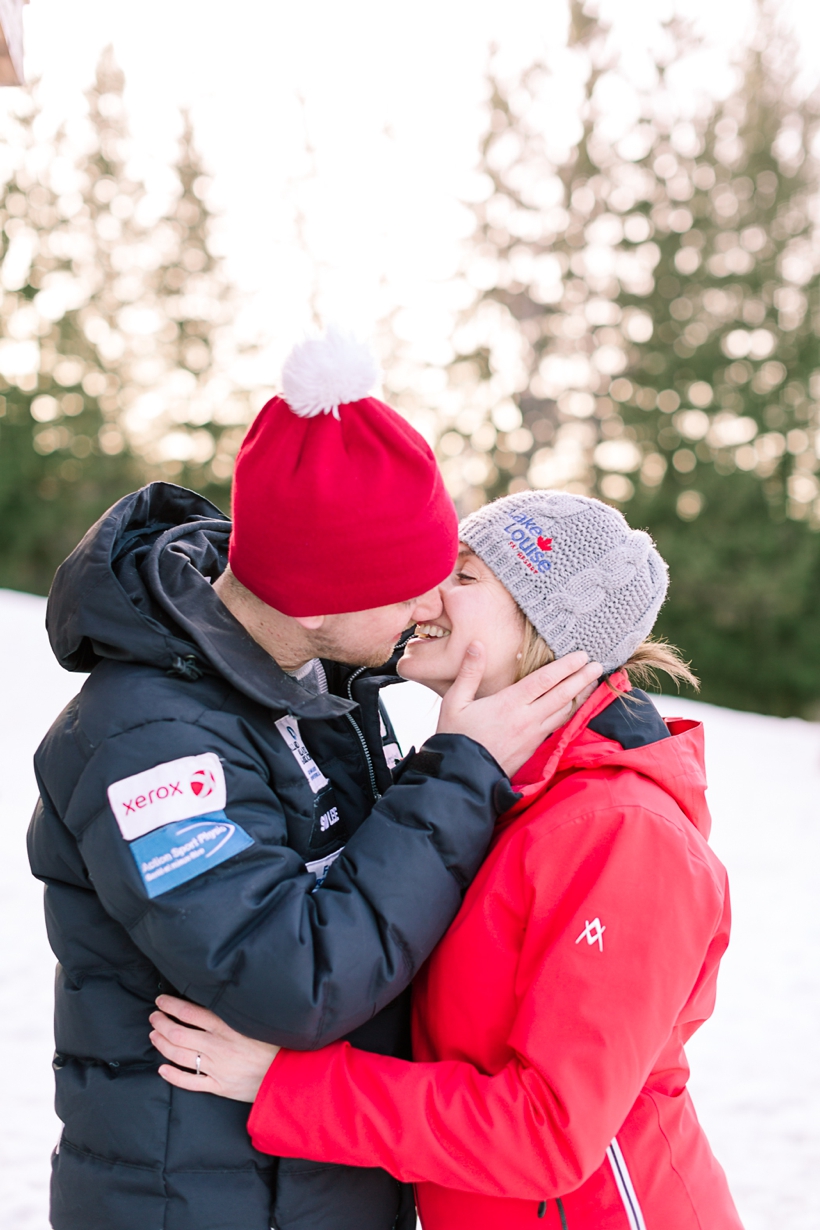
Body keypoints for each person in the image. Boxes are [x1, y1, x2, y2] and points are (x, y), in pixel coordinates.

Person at [28, 332, 600, 1230]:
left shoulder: (312, 683)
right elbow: (291, 981)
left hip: (307, 1186)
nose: (432, 605)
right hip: (197, 1202)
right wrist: (462, 772)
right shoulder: (148, 743)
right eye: (411, 583)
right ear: (319, 598)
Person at [149, 490, 744, 1230]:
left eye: (463, 577)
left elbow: (547, 1131)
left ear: (543, 629)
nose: (425, 593)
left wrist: (287, 1084)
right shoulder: (497, 791)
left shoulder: (621, 832)